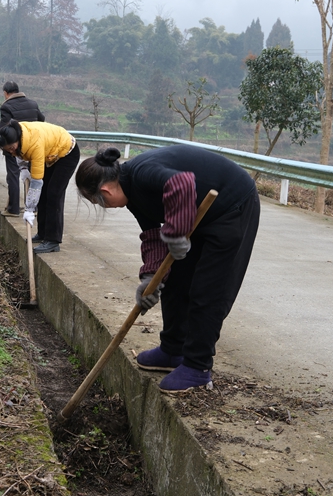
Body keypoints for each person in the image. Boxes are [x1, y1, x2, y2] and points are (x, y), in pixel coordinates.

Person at [74, 145, 260, 392]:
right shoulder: (131, 194)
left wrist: (175, 231)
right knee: (176, 281)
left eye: (99, 202)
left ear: (105, 190)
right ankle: (173, 350)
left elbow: (181, 183)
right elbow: (151, 235)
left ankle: (197, 367)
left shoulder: (142, 173)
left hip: (232, 207)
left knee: (208, 290)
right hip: (200, 217)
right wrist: (150, 279)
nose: (104, 207)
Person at [0, 119, 79, 253]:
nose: (10, 151)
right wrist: (24, 169)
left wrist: (30, 208)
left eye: (11, 148)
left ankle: (53, 241)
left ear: (17, 140)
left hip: (67, 152)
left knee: (54, 194)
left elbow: (37, 182)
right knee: (44, 193)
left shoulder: (34, 144)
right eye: (7, 150)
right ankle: (43, 234)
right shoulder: (16, 136)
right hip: (50, 154)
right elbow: (19, 155)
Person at [0, 81, 45, 218]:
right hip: (33, 144)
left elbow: (4, 128)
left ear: (6, 93)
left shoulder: (6, 106)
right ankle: (33, 207)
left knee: (13, 175)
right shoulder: (33, 104)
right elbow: (41, 120)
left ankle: (13, 209)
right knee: (33, 175)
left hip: (14, 146)